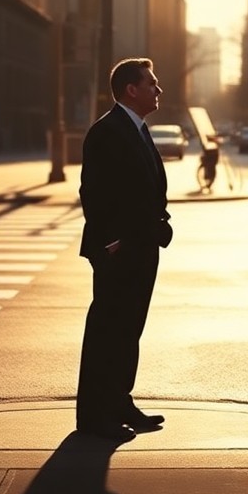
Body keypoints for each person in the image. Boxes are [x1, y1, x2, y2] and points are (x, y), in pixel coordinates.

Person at [75, 58, 173, 443]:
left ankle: (119, 401)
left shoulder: (136, 128)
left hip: (141, 246)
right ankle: (95, 416)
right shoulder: (108, 131)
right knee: (107, 332)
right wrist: (110, 243)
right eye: (152, 83)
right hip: (119, 250)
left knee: (129, 329)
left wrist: (157, 227)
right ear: (132, 89)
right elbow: (94, 193)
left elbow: (143, 190)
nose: (158, 89)